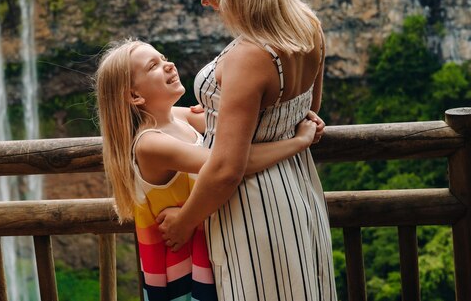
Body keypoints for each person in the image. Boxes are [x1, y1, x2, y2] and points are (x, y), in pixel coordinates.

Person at [156, 0, 337, 301]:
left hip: (253, 208)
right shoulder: (309, 27)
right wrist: (215, 115)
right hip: (299, 190)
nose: (204, 0)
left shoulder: (250, 56)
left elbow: (225, 169)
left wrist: (185, 221)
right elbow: (305, 115)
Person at [95, 39, 321, 301]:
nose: (169, 65)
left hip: (210, 252)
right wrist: (298, 142)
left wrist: (298, 117)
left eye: (164, 57)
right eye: (153, 65)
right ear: (135, 95)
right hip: (185, 270)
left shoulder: (179, 117)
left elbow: (247, 122)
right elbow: (232, 163)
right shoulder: (150, 143)